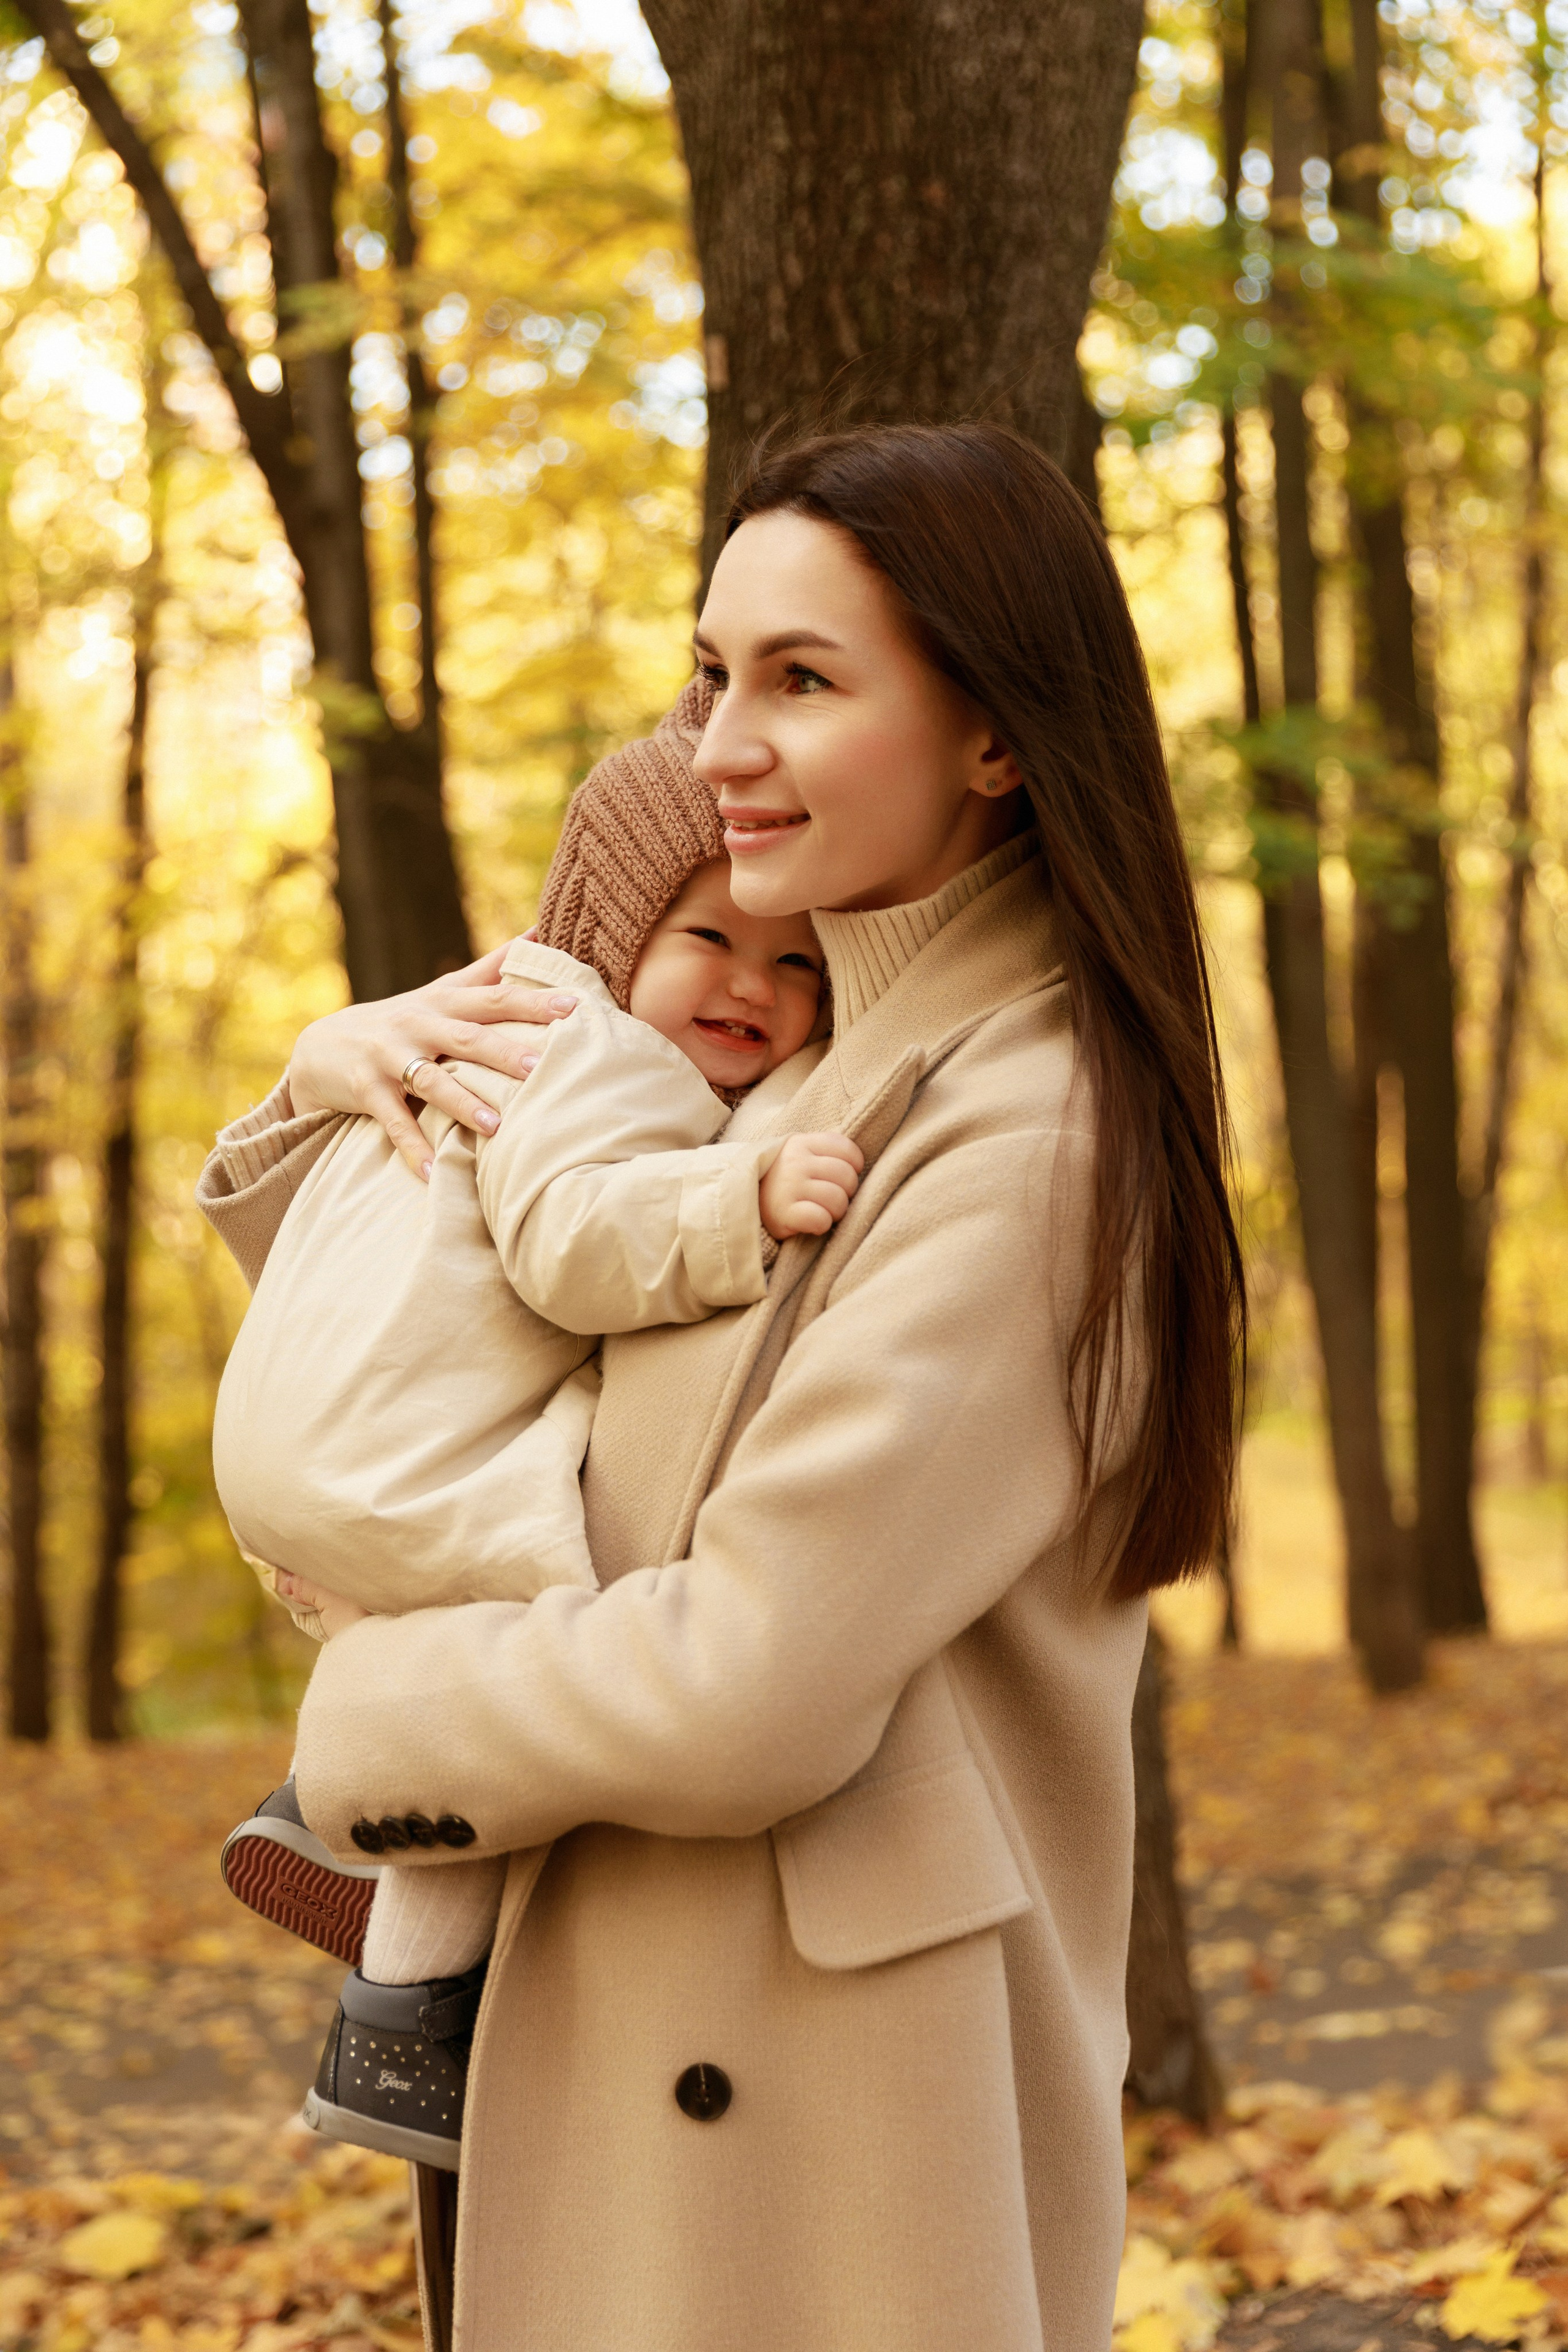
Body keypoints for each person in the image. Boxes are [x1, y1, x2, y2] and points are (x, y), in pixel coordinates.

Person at [198, 421, 1242, 2352]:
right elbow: (484, 1364)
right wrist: (342, 1077)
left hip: (824, 2099)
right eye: (713, 674)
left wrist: (366, 1709)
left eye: (804, 681)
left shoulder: (1020, 1119)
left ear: (998, 734)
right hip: (659, 2004)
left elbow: (753, 1674)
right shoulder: (809, 1062)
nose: (719, 747)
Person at [208, 694, 859, 2169]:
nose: (752, 982)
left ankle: (322, 1808)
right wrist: (737, 1203)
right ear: (618, 929)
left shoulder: (518, 1032)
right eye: (710, 939)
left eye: (798, 963)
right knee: (553, 1684)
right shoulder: (600, 1052)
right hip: (392, 1466)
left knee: (475, 1653)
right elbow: (573, 1243)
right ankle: (401, 2016)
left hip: (305, 1445)